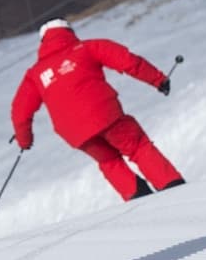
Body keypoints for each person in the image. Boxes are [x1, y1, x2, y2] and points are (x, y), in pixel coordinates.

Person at [10, 18, 184, 202]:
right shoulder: (87, 48)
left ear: (43, 41)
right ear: (69, 32)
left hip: (76, 134)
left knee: (109, 161)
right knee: (138, 147)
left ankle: (138, 197)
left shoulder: (35, 74)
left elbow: (20, 111)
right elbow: (127, 60)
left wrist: (24, 141)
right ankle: (171, 186)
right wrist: (158, 80)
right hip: (106, 115)